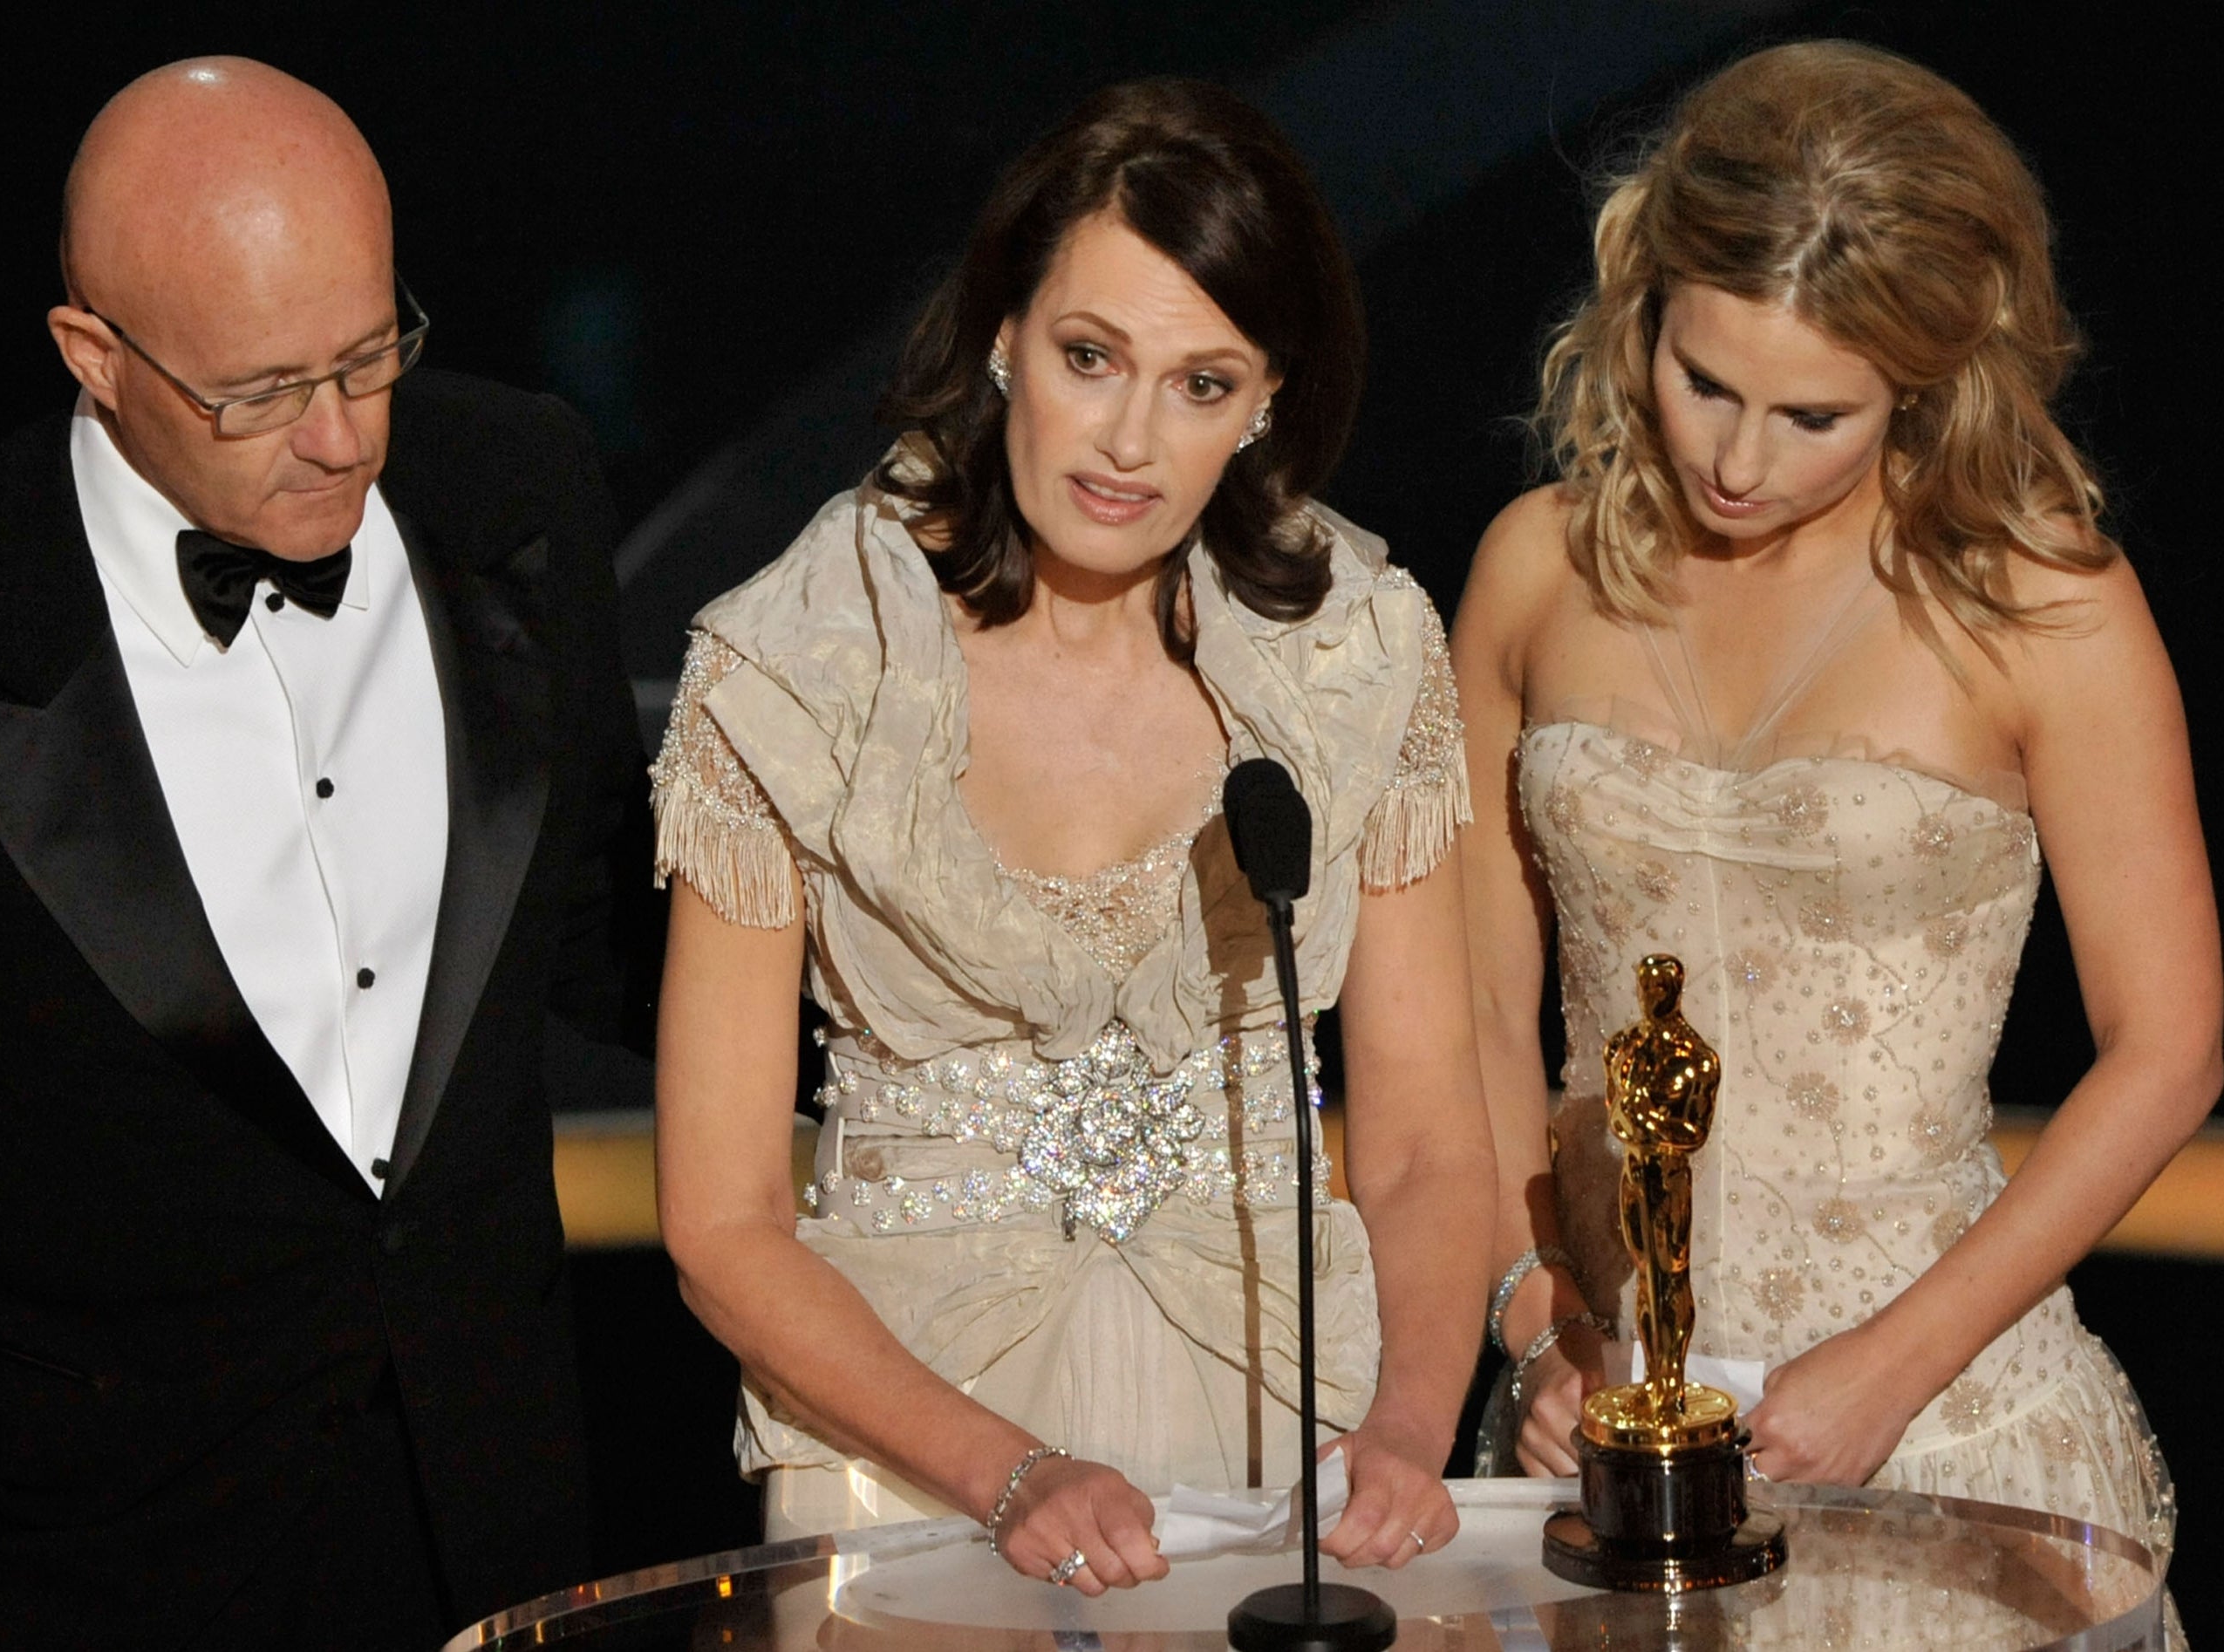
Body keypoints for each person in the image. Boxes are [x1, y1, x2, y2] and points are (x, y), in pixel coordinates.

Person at [0, 58, 641, 1649]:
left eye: (374, 354)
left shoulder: (523, 483)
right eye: (260, 390)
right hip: (68, 1570)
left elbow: (591, 930)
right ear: (92, 356)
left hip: (501, 1533)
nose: (342, 437)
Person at [652, 79, 1493, 1598]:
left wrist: (1410, 1427)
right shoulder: (796, 663)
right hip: (907, 1458)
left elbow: (1431, 1139)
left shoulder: (1357, 653)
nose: (1126, 442)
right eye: (1089, 357)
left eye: (1199, 383)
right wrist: (1011, 1471)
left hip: (1284, 1433)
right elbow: (719, 1218)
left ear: (1266, 403)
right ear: (1001, 334)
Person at [1453, 38, 2215, 1573]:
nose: (1733, 458)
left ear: (1925, 379)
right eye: (1701, 380)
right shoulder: (1533, 567)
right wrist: (1535, 1323)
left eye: (1812, 417)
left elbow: (2168, 1045)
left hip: (1941, 1416)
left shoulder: (2043, 605)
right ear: (1641, 310)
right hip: (1596, 1420)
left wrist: (1895, 1359)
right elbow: (1470, 1005)